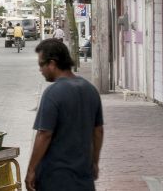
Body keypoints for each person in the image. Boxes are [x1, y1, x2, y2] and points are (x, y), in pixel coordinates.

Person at [26, 39, 104, 191]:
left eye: (41, 65)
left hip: (55, 178)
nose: (40, 70)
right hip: (83, 178)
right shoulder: (90, 90)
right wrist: (94, 162)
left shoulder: (52, 93)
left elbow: (44, 134)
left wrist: (31, 170)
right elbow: (98, 131)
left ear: (52, 64)